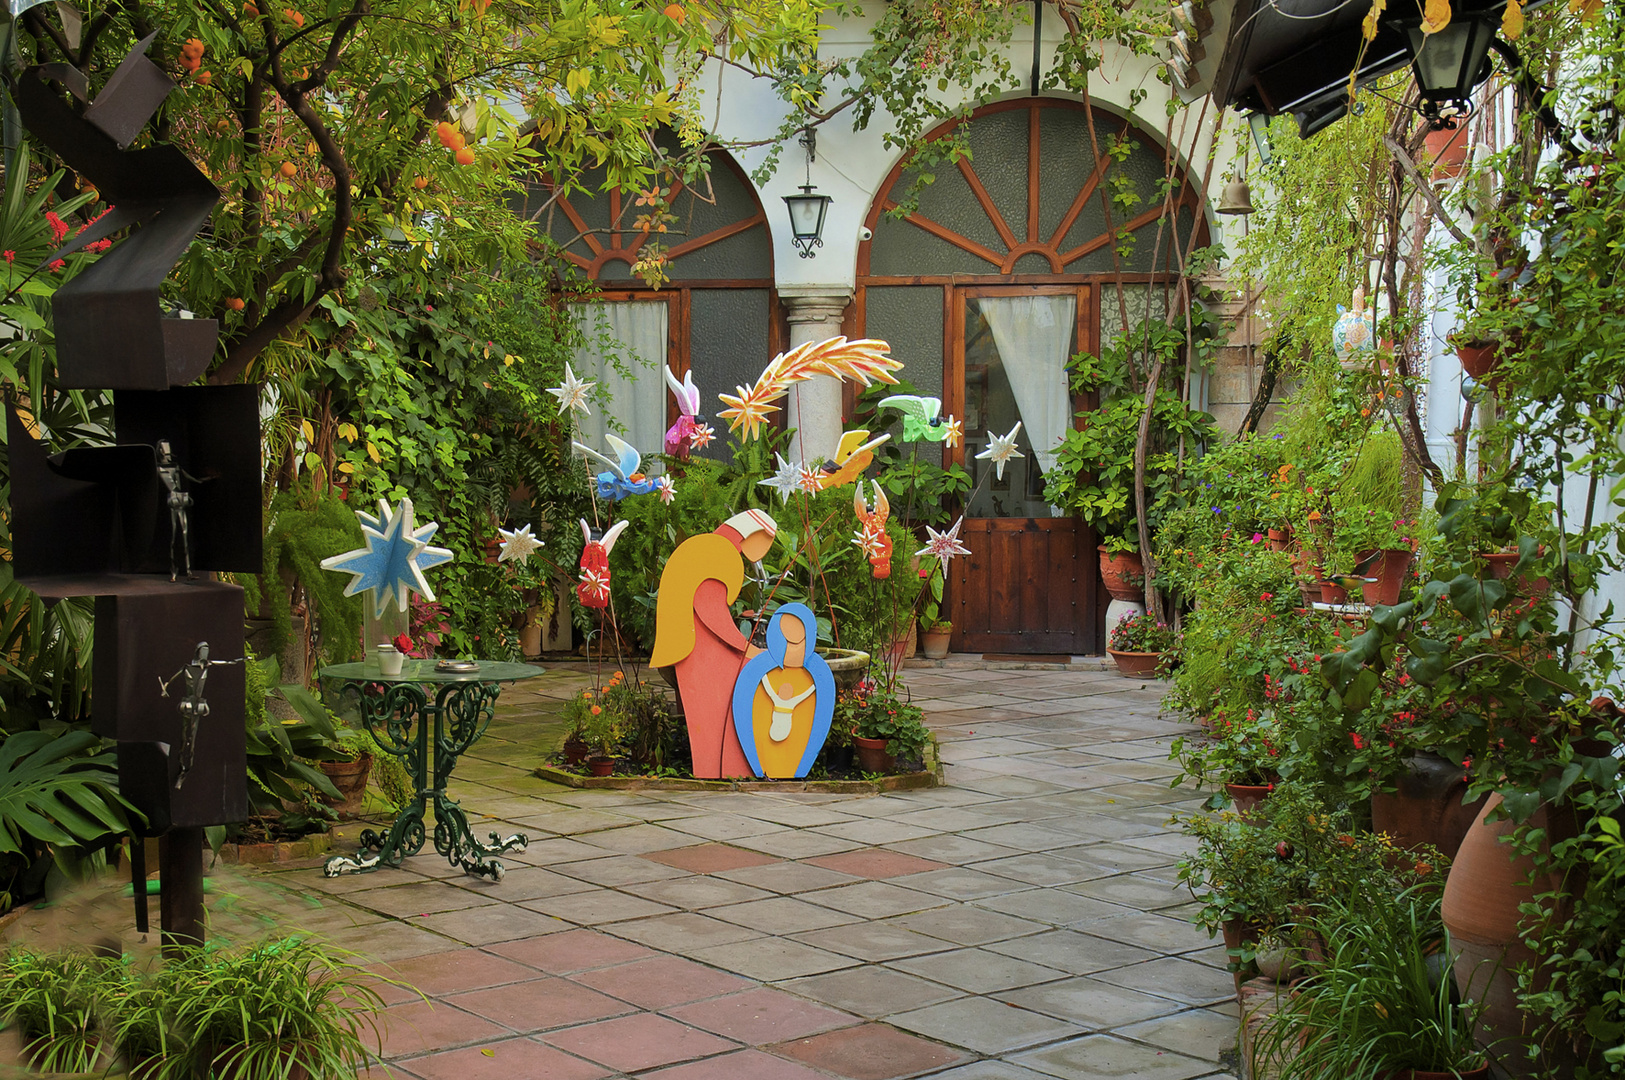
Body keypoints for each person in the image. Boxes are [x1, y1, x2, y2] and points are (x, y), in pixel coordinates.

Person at [649, 509, 777, 778]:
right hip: (702, 652)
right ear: (755, 534)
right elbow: (711, 614)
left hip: (694, 649)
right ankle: (717, 771)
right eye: (766, 542)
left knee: (714, 716)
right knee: (714, 715)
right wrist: (749, 650)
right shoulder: (717, 552)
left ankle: (718, 769)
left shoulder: (707, 547)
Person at [731, 603, 835, 779]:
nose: (793, 648)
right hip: (773, 730)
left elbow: (809, 699)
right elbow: (762, 694)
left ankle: (795, 769)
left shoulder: (820, 674)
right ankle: (764, 768)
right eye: (787, 640)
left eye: (799, 641)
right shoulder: (757, 670)